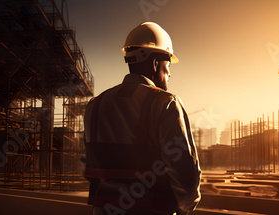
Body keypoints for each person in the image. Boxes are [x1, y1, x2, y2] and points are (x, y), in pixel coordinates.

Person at [82, 22, 201, 215]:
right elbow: (184, 174)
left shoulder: (95, 106)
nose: (170, 73)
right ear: (155, 64)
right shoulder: (166, 103)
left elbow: (87, 163)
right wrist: (183, 207)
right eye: (168, 65)